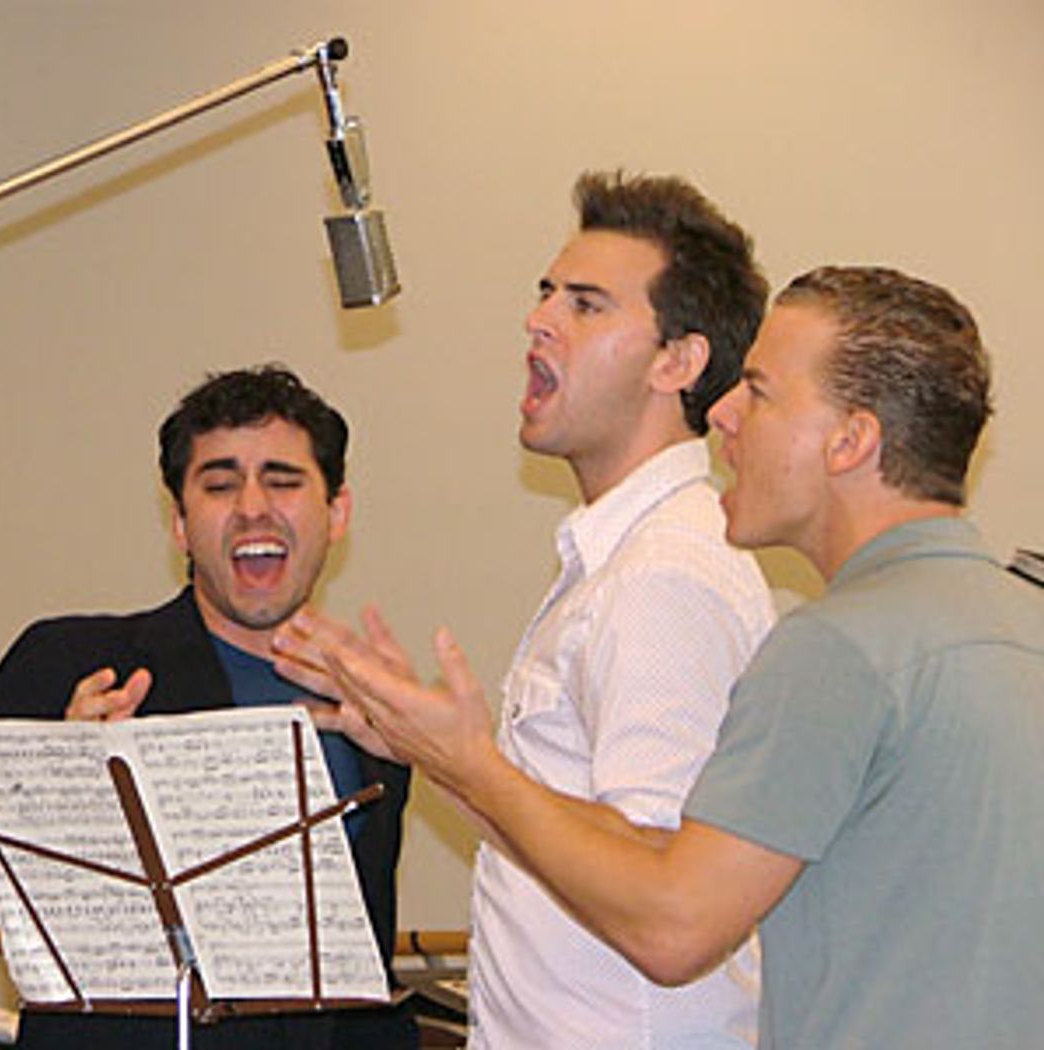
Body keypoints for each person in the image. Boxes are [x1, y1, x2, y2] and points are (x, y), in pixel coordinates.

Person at [290, 266, 1044, 1048]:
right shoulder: (1022, 620)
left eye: (760, 393)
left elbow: (673, 927)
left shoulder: (839, 648)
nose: (723, 412)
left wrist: (471, 764)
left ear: (850, 441)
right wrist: (447, 758)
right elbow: (664, 861)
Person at [280, 171, 775, 1047]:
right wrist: (430, 747)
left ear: (678, 361)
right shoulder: (620, 558)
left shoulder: (664, 576)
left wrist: (470, 763)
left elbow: (661, 896)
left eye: (585, 305)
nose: (538, 320)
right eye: (547, 293)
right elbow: (575, 842)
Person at [0, 365, 416, 1049]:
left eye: (284, 481)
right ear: (180, 524)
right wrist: (59, 771)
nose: (253, 507)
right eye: (219, 485)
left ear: (337, 512)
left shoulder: (372, 700)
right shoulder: (71, 661)